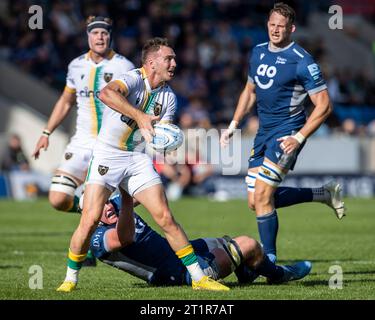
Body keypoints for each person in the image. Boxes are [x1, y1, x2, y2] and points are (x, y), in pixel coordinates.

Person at [57, 37, 229, 292]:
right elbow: (106, 93)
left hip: (136, 158)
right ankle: (70, 280)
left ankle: (199, 278)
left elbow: (159, 134)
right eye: (168, 58)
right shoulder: (132, 78)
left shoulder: (169, 97)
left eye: (173, 58)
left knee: (165, 217)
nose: (174, 63)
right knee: (91, 219)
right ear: (151, 63)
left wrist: (166, 140)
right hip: (107, 155)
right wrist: (140, 116)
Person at [220, 3, 346, 264]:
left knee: (264, 196)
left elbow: (324, 105)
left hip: (286, 132)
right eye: (272, 24)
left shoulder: (302, 60)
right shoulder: (257, 52)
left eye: (281, 26)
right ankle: (324, 193)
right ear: (267, 24)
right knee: (255, 201)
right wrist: (233, 124)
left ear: (292, 28)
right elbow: (249, 91)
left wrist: (298, 137)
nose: (276, 30)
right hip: (263, 132)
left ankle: (269, 261)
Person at [90, 194, 312, 286]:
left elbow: (146, 190)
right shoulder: (98, 239)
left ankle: (245, 273)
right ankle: (280, 274)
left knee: (222, 241)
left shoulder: (117, 204)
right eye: (101, 205)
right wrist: (126, 199)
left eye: (107, 200)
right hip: (177, 274)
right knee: (249, 244)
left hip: (181, 253)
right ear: (90, 212)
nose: (108, 206)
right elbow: (123, 237)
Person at [32, 16, 134, 213]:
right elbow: (65, 101)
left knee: (103, 205)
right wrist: (46, 133)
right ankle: (85, 210)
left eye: (104, 33)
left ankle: (99, 220)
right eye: (95, 33)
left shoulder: (124, 66)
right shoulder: (76, 65)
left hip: (110, 144)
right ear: (88, 37)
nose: (100, 37)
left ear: (110, 37)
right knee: (58, 199)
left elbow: (134, 104)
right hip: (81, 141)